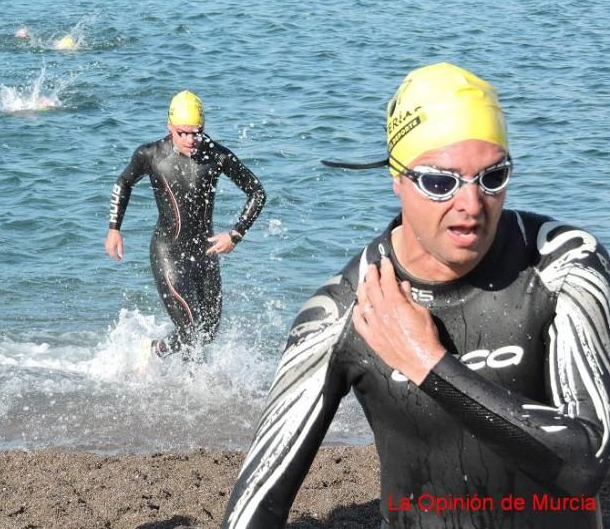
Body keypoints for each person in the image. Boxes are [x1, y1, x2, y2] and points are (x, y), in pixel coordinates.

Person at [222, 62, 610, 528]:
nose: (470, 205)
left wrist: (428, 364)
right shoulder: (345, 311)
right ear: (398, 178)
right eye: (440, 182)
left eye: (493, 177)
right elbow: (257, 503)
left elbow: (586, 461)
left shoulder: (562, 265)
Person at [105, 90, 266, 358]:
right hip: (169, 252)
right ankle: (152, 352)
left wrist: (236, 234)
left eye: (196, 132)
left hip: (205, 253)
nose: (191, 139)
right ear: (170, 127)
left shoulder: (216, 155)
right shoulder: (151, 155)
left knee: (209, 331)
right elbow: (123, 183)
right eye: (183, 133)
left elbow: (257, 192)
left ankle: (187, 381)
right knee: (191, 331)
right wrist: (114, 229)